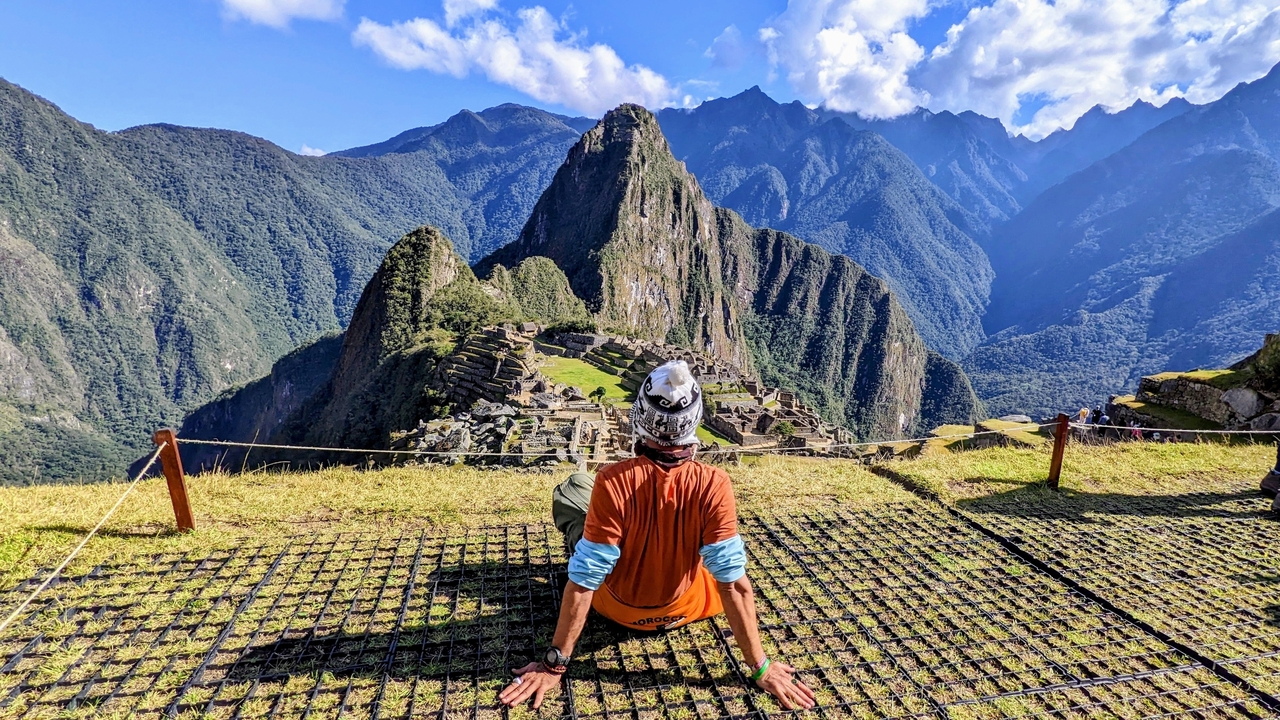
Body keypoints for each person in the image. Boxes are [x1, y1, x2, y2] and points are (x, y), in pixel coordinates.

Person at [499, 360, 817, 711]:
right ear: (694, 422)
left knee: (574, 488)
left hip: (617, 610)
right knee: (714, 556)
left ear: (641, 418)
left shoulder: (613, 480)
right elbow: (734, 585)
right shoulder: (714, 484)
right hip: (689, 608)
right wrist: (761, 668)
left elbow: (584, 581)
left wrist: (553, 666)